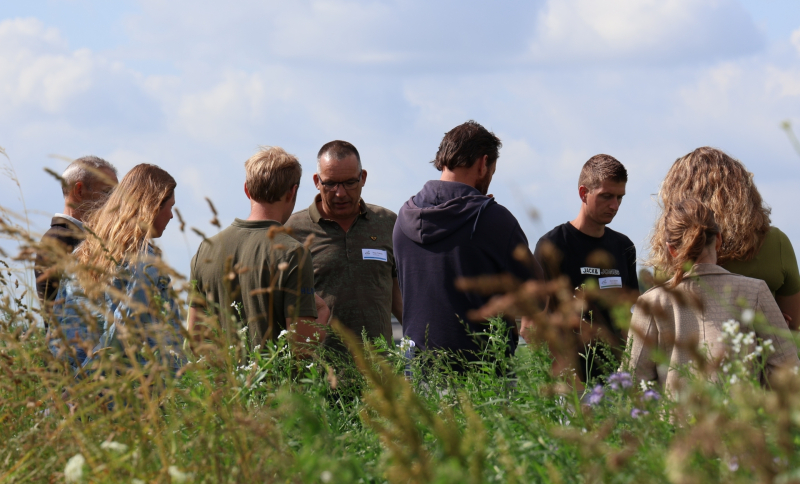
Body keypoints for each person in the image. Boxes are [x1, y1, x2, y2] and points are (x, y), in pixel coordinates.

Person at [393, 120, 542, 369]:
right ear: (483, 164)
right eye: (492, 172)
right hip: (480, 374)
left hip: (417, 370)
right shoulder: (493, 219)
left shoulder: (403, 218)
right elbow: (536, 291)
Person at [629, 199, 799, 394]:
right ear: (718, 239)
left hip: (674, 422)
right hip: (742, 420)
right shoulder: (756, 291)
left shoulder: (651, 302)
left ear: (672, 249)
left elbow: (634, 381)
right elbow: (788, 369)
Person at [189, 147, 329, 351]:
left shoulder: (205, 249)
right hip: (274, 383)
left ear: (246, 190)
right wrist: (323, 313)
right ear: (292, 192)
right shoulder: (293, 253)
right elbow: (301, 349)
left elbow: (195, 340)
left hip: (220, 382)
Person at [50, 164, 183, 371]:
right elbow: (124, 330)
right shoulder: (142, 258)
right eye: (170, 206)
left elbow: (57, 330)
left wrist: (67, 389)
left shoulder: (81, 255)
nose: (172, 216)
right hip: (131, 390)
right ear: (153, 206)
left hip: (79, 390)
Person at [650, 147, 800, 329]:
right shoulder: (775, 242)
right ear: (741, 192)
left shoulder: (669, 248)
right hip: (758, 354)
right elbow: (792, 326)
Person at [534, 154, 638, 382]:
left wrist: (630, 371)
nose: (615, 205)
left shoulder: (624, 247)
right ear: (583, 193)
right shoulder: (552, 245)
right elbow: (538, 321)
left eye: (620, 197)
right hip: (570, 380)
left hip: (615, 378)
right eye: (606, 196)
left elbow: (627, 318)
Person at [286, 140, 401, 345]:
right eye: (330, 184)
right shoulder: (292, 231)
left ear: (363, 177)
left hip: (381, 369)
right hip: (319, 371)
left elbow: (397, 292)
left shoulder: (388, 223)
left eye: (350, 182)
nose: (340, 193)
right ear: (316, 181)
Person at [35, 156, 118, 307]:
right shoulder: (57, 241)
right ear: (79, 191)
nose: (114, 203)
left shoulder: (84, 238)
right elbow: (57, 312)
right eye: (107, 192)